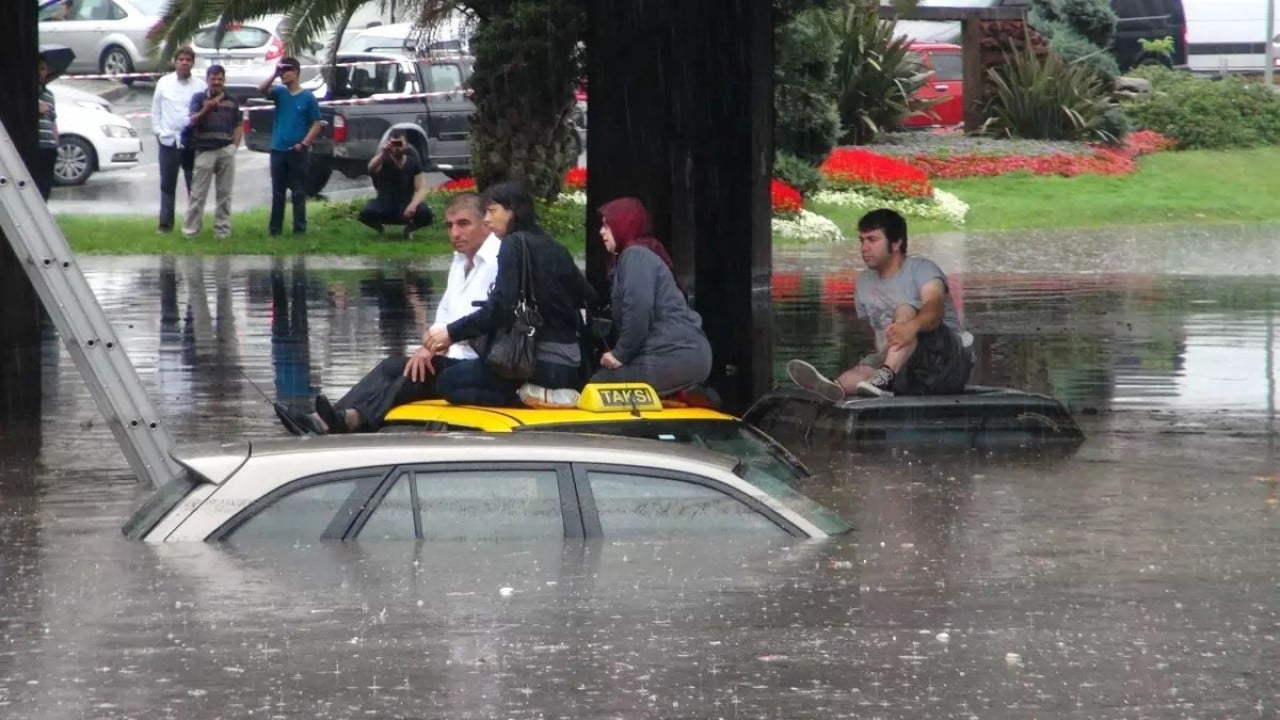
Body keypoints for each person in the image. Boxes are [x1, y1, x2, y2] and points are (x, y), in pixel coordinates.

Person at [274, 192, 500, 435]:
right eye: (449, 225)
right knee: (392, 365)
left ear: (485, 224)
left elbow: (489, 318)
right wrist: (429, 346)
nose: (455, 233)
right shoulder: (459, 261)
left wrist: (437, 346)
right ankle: (324, 419)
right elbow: (444, 314)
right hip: (451, 354)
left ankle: (353, 419)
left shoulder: (498, 261)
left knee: (415, 374)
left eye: (463, 224)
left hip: (476, 364)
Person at [424, 180, 596, 409]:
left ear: (512, 210)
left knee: (448, 383)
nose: (486, 219)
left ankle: (523, 396)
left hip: (533, 364)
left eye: (492, 211)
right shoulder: (557, 248)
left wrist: (451, 332)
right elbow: (589, 297)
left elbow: (500, 309)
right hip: (569, 367)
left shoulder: (512, 244)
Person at [786, 208, 972, 401]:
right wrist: (883, 358)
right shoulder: (864, 282)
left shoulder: (923, 269)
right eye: (862, 240)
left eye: (872, 240)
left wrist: (911, 326)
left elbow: (934, 311)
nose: (864, 247)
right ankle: (836, 387)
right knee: (862, 370)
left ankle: (883, 378)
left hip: (947, 364)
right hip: (903, 363)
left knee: (905, 309)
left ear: (896, 242)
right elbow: (879, 335)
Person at [590, 197, 712, 395]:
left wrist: (619, 355)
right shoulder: (634, 256)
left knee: (600, 384)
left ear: (624, 224)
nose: (601, 232)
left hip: (675, 353)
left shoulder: (636, 256)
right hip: (678, 353)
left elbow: (638, 310)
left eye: (607, 225)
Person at [258, 56, 322, 237]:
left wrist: (304, 143)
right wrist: (274, 74)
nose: (283, 75)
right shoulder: (280, 93)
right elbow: (262, 89)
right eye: (282, 71)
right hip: (278, 150)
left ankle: (299, 229)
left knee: (298, 192)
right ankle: (275, 229)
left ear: (296, 73)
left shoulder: (308, 97)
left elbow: (316, 123)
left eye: (287, 71)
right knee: (278, 193)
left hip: (297, 152)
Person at [182, 65, 241, 240]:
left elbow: (238, 125)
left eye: (220, 79)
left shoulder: (232, 100)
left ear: (224, 80)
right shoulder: (198, 98)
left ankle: (222, 230)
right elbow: (192, 120)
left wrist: (233, 148)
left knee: (225, 193)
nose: (216, 83)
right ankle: (191, 231)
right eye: (213, 79)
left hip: (225, 150)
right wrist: (207, 109)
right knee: (198, 194)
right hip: (204, 151)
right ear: (207, 80)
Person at [151, 46, 206, 233]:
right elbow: (156, 109)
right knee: (167, 184)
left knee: (194, 184)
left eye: (188, 59)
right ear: (175, 62)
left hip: (191, 142)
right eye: (181, 59)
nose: (184, 62)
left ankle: (193, 224)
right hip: (168, 140)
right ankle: (165, 224)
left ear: (192, 63)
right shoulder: (164, 83)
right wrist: (158, 132)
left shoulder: (200, 86)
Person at [358, 130, 434, 239]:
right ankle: (380, 230)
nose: (397, 148)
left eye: (399, 144)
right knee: (366, 212)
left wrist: (413, 206)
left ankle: (409, 230)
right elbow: (371, 168)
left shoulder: (413, 162)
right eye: (394, 144)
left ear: (406, 145)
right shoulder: (383, 160)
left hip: (406, 203)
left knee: (426, 213)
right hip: (385, 203)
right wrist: (383, 153)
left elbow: (421, 188)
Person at [36, 54, 58, 201]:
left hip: (49, 146)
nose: (41, 72)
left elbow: (53, 120)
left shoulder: (49, 95)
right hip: (36, 146)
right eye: (38, 68)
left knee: (46, 185)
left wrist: (56, 142)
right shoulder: (27, 93)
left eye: (43, 69)